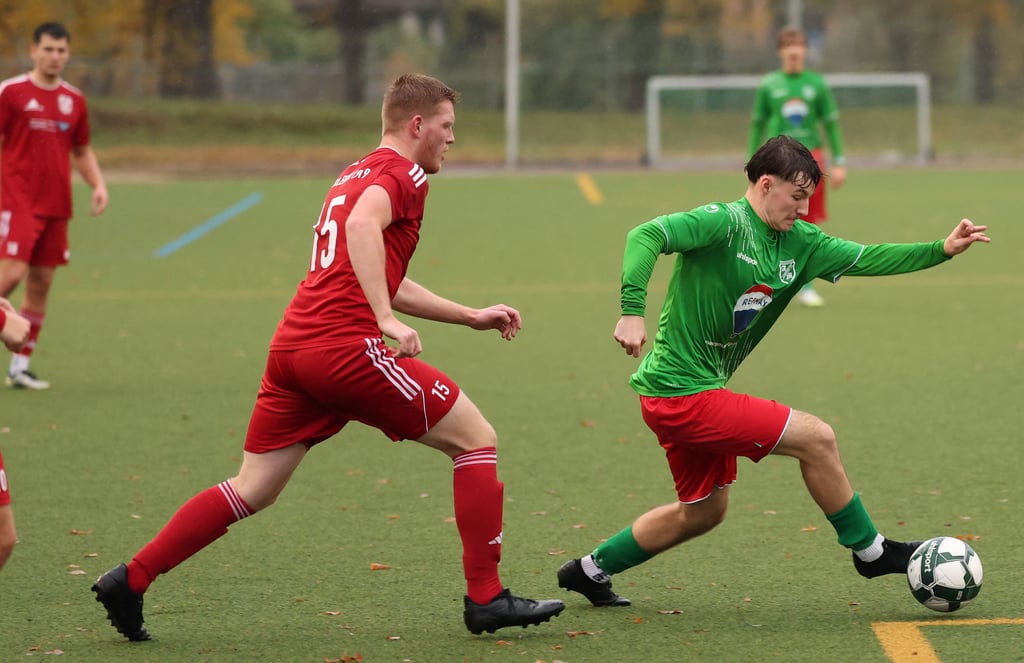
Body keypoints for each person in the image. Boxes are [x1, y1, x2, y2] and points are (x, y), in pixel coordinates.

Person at [92, 73, 564, 641]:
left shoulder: (354, 172)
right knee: (475, 439)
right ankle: (487, 598)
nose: (451, 139)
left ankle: (132, 578)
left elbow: (374, 266)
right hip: (344, 348)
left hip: (293, 349)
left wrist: (468, 315)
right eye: (446, 126)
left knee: (254, 487)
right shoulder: (404, 172)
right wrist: (385, 322)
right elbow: (365, 229)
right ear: (418, 126)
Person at [555, 135, 989, 609]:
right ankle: (872, 551)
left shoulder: (802, 244)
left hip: (691, 393)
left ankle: (589, 570)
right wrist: (631, 310)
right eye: (797, 197)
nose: (804, 209)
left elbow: (868, 258)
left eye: (809, 199)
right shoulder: (722, 223)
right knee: (816, 437)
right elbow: (646, 235)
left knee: (702, 513)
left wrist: (941, 248)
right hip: (680, 393)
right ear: (766, 184)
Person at [0, 21, 109, 390]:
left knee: (41, 284)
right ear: (33, 51)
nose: (55, 56)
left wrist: (97, 184)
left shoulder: (74, 100)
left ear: (68, 54)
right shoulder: (11, 92)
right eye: (48, 49)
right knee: (10, 276)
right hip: (15, 200)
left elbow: (81, 149)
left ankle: (20, 365)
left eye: (61, 50)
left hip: (56, 205)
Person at [749, 26, 845, 307]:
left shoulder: (816, 84)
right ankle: (764, 281)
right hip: (777, 159)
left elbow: (831, 124)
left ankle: (805, 285)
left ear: (805, 50)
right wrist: (751, 161)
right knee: (767, 219)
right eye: (788, 45)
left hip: (811, 158)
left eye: (799, 45)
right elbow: (757, 124)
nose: (794, 50)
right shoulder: (769, 85)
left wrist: (839, 162)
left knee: (806, 220)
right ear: (780, 51)